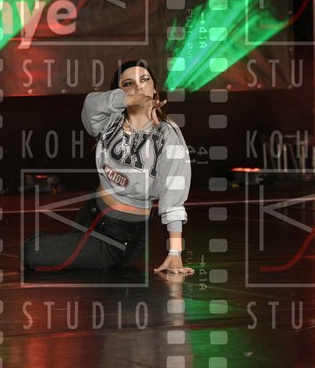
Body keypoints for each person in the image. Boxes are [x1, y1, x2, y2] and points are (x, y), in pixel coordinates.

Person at [22, 59, 195, 274]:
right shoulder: (110, 119)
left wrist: (175, 252)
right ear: (119, 93)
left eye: (144, 80)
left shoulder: (167, 133)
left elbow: (174, 192)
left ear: (154, 87)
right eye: (128, 84)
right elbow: (91, 104)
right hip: (91, 211)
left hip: (120, 235)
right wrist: (133, 99)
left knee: (31, 253)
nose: (138, 87)